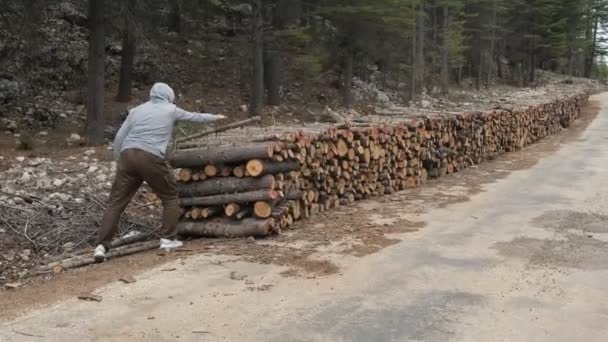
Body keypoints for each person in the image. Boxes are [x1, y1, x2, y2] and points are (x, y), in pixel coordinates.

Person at [93, 83, 226, 262]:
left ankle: (101, 247)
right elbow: (195, 117)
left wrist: (119, 159)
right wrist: (216, 117)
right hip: (151, 157)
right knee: (170, 195)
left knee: (115, 203)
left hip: (127, 155)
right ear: (168, 96)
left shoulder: (136, 111)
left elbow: (119, 137)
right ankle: (168, 239)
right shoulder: (170, 109)